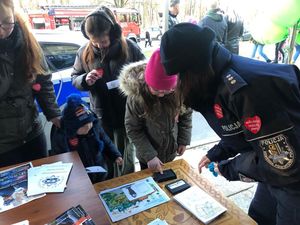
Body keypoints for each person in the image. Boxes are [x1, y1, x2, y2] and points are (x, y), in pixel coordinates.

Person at [160, 23, 300, 225]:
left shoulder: (247, 91)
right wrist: (217, 153)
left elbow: (282, 160)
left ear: (193, 69)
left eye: (180, 75)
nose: (178, 84)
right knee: (258, 217)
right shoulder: (217, 76)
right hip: (276, 172)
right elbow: (245, 129)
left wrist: (228, 168)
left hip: (292, 180)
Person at [71, 6, 145, 178]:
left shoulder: (130, 47)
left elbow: (144, 71)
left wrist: (135, 80)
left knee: (125, 152)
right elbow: (75, 77)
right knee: (106, 153)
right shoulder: (83, 52)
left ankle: (127, 180)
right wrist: (85, 80)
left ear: (112, 33)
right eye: (94, 42)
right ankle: (110, 183)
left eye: (103, 41)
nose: (99, 45)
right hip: (101, 115)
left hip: (127, 111)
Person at [0, 0, 61, 167]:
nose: (1, 32)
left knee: (43, 182)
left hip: (32, 132)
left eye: (6, 23)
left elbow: (43, 79)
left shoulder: (27, 41)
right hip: (4, 144)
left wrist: (54, 113)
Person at [119, 49, 192, 173]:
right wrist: (150, 156)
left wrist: (183, 140)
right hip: (148, 156)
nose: (162, 94)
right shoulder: (136, 98)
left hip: (170, 150)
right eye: (157, 90)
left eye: (167, 90)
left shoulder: (178, 92)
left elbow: (186, 114)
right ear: (148, 83)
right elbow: (133, 129)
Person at [51, 94, 123, 183]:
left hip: (100, 169)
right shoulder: (63, 137)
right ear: (72, 127)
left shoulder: (95, 127)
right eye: (83, 125)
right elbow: (59, 157)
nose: (88, 127)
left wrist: (115, 155)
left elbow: (106, 141)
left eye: (90, 122)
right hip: (78, 175)